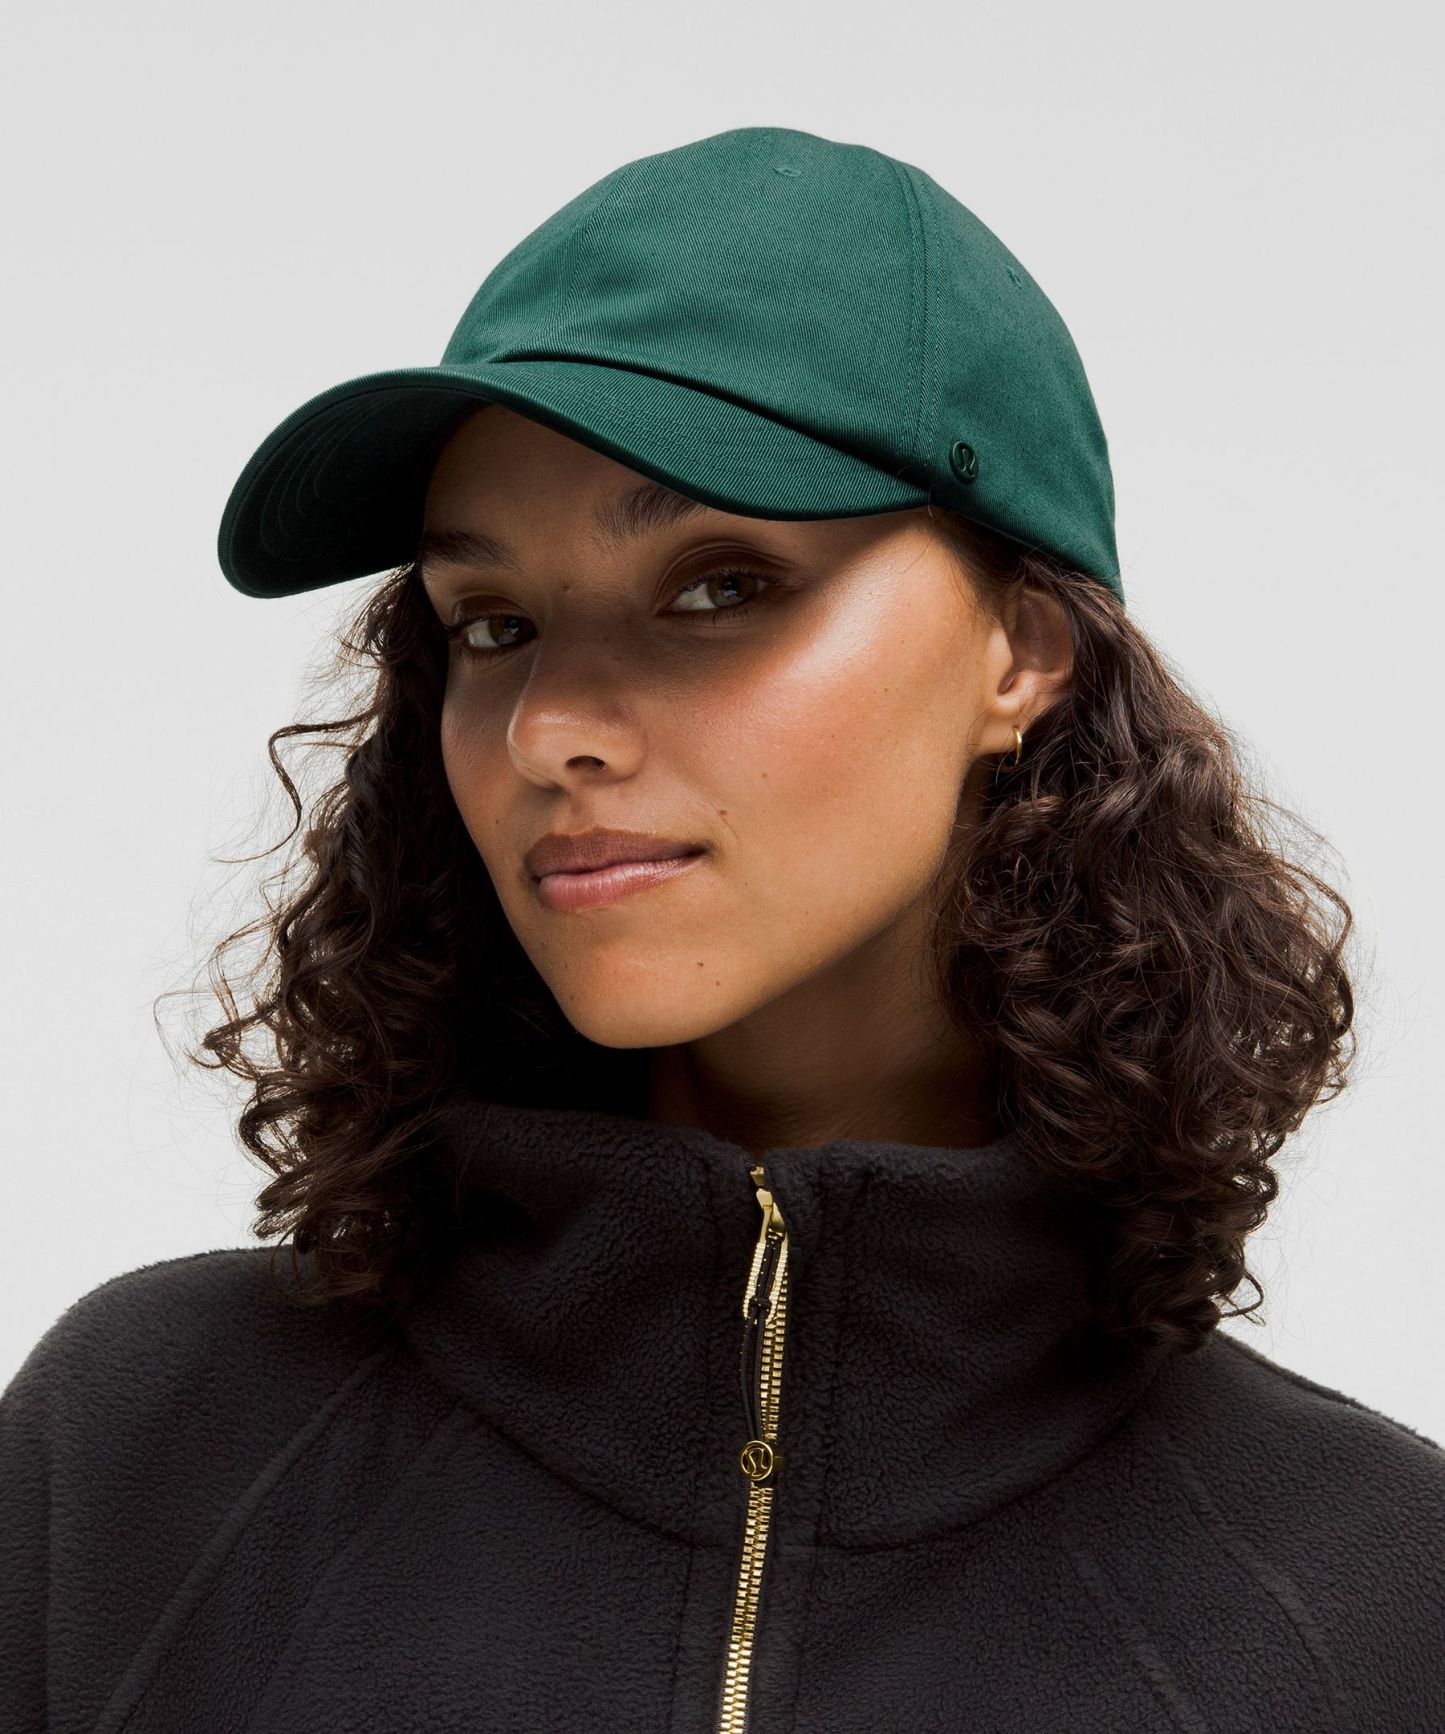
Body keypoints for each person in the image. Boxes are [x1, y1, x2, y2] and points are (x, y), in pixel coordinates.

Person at [3, 124, 1443, 1733]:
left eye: (718, 585)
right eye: (492, 621)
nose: (550, 724)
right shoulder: (141, 1460)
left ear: (1021, 648)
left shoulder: (1369, 1603)